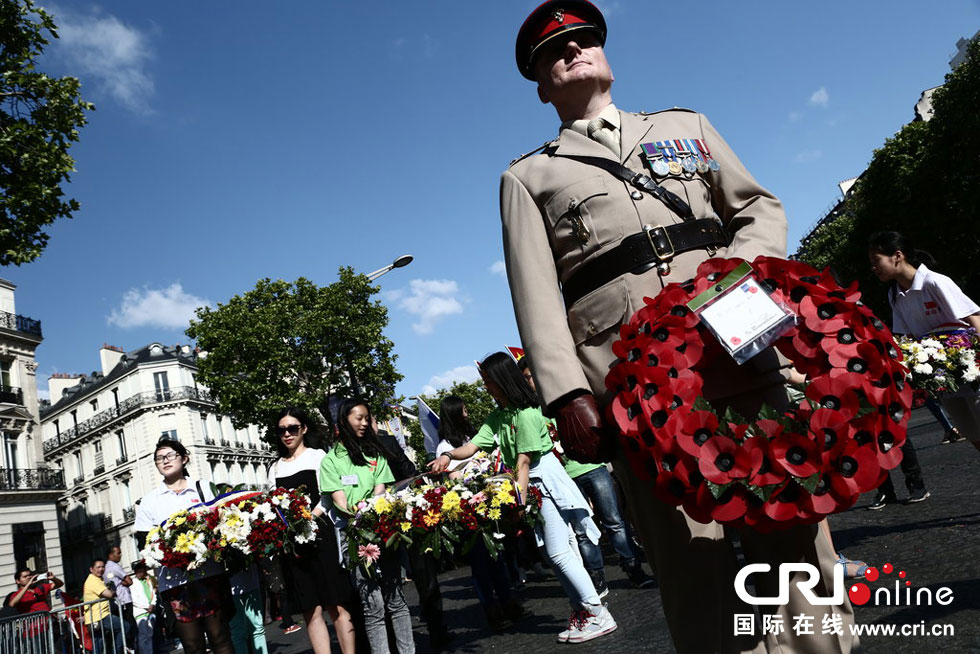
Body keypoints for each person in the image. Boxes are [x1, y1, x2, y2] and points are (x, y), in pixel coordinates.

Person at [500, 3, 856, 651]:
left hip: (742, 360)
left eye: (584, 39)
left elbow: (756, 208)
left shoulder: (685, 126)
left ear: (606, 56)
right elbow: (536, 292)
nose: (574, 50)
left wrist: (735, 281)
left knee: (798, 546)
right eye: (557, 51)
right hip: (643, 400)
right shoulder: (530, 177)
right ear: (541, 84)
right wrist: (567, 394)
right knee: (697, 574)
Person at [429, 352, 616, 644]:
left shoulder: (526, 414)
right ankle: (584, 610)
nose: (486, 387)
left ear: (504, 381)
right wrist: (447, 455)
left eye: (489, 381)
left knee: (557, 553)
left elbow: (524, 463)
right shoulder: (500, 415)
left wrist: (517, 502)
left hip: (543, 484)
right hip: (530, 486)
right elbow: (475, 445)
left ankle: (597, 612)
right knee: (559, 552)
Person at [519, 357, 654, 594]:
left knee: (614, 522)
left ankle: (634, 570)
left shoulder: (563, 393)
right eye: (529, 377)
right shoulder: (529, 412)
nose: (534, 381)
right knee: (582, 531)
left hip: (593, 467)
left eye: (535, 374)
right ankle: (597, 578)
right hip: (565, 477)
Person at [870, 230, 980, 458]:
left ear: (897, 256)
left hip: (973, 371)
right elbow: (903, 339)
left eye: (876, 260)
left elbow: (974, 317)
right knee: (973, 435)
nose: (874, 267)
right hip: (945, 380)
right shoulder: (894, 295)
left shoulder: (934, 281)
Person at [320, 399, 414, 654]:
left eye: (366, 418)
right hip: (355, 536)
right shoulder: (331, 461)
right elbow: (340, 501)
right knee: (372, 606)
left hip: (383, 530)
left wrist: (374, 510)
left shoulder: (375, 454)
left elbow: (380, 490)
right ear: (343, 421)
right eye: (358, 418)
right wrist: (361, 512)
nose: (364, 423)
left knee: (396, 600)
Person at [133, 439, 233, 654]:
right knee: (192, 644)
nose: (164, 460)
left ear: (184, 458)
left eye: (170, 455)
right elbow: (144, 544)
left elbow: (223, 523)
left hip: (210, 574)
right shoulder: (149, 501)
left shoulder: (204, 488)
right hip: (174, 581)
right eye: (159, 458)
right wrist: (170, 552)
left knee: (220, 637)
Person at [268, 407, 356, 654]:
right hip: (293, 543)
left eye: (292, 428)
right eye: (282, 430)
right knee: (310, 608)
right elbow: (272, 504)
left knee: (335, 602)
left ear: (304, 429)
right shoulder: (275, 467)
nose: (287, 434)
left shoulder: (318, 456)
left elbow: (328, 495)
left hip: (321, 534)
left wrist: (309, 519)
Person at [436, 396, 527, 631]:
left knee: (497, 557)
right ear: (455, 414)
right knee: (480, 564)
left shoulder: (472, 439)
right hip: (469, 510)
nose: (467, 414)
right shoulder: (445, 447)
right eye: (464, 410)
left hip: (489, 504)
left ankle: (507, 602)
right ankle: (491, 609)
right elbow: (457, 481)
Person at [373, 417, 453, 650]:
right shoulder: (383, 441)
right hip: (396, 514)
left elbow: (406, 470)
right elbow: (407, 470)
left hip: (389, 514)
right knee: (421, 573)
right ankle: (435, 629)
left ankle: (404, 635)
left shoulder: (369, 445)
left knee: (401, 576)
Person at [83, 558, 127, 654]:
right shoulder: (93, 580)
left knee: (100, 643)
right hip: (99, 616)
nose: (101, 569)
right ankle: (117, 651)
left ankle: (115, 650)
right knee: (124, 627)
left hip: (98, 616)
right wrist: (113, 589)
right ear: (91, 569)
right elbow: (109, 594)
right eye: (98, 567)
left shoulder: (98, 579)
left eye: (103, 567)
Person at [105, 545, 136, 649]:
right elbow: (129, 581)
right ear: (111, 555)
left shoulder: (105, 568)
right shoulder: (114, 566)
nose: (120, 555)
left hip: (115, 603)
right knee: (130, 628)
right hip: (124, 601)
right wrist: (122, 582)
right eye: (118, 553)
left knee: (122, 629)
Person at [131, 561, 158, 654]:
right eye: (137, 571)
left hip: (150, 610)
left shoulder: (148, 581)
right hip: (140, 611)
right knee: (143, 635)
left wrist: (153, 604)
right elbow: (134, 599)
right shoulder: (133, 582)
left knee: (150, 634)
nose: (139, 573)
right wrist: (146, 607)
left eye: (141, 571)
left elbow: (153, 593)